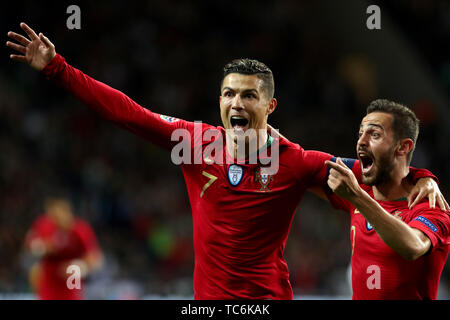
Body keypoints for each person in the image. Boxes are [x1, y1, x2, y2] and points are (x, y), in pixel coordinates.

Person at [7, 23, 447, 299]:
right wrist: (56, 69)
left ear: (269, 106)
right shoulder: (195, 143)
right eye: (230, 93)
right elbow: (127, 112)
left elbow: (374, 167)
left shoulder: (295, 162)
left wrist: (422, 178)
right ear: (220, 100)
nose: (237, 101)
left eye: (250, 94)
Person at [324, 100, 450, 299]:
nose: (361, 142)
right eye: (360, 134)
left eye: (375, 135)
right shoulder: (361, 180)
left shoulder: (433, 206)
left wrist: (358, 198)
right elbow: (303, 160)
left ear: (403, 147)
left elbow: (414, 247)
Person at [25, 196, 103, 300]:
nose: (54, 219)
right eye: (51, 215)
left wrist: (78, 267)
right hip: (49, 281)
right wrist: (43, 248)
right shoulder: (44, 226)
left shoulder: (81, 230)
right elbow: (30, 246)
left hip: (71, 280)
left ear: (67, 211)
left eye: (57, 214)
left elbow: (96, 259)